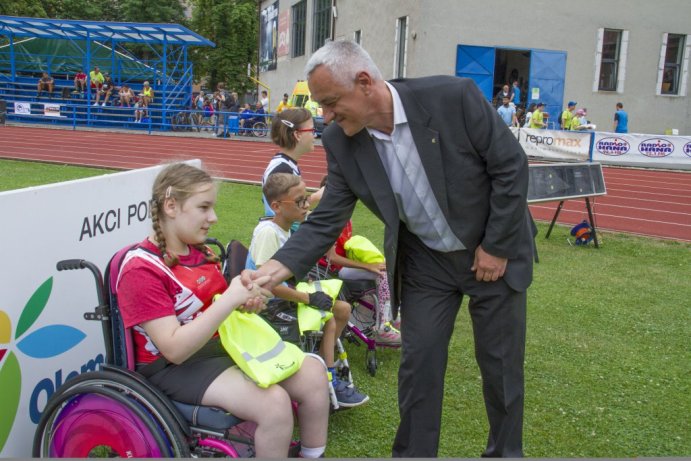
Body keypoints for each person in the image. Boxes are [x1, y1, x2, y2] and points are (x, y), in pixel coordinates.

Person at [241, 40, 536, 458]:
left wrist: (495, 245)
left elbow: (510, 166)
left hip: (491, 254)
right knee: (419, 369)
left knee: (500, 368)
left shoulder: (453, 98)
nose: (324, 117)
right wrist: (273, 269)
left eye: (330, 103)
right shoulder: (344, 143)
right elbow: (324, 221)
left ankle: (506, 455)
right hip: (427, 264)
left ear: (364, 83)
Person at [116, 163, 330, 458]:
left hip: (220, 348)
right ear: (171, 206)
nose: (213, 218)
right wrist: (230, 299)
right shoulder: (140, 269)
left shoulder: (199, 252)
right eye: (204, 207)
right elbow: (174, 349)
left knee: (314, 372)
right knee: (274, 405)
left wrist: (246, 303)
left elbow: (218, 309)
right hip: (174, 369)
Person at [248, 173, 369, 408]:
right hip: (267, 305)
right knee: (331, 317)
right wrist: (307, 297)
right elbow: (266, 284)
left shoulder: (287, 228)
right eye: (300, 201)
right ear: (276, 206)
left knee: (342, 309)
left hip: (284, 295)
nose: (306, 206)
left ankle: (324, 362)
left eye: (306, 199)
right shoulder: (267, 233)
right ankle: (328, 378)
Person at [317, 175, 400, 345]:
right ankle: (384, 325)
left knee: (387, 269)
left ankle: (390, 314)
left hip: (341, 266)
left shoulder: (345, 216)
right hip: (331, 271)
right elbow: (332, 257)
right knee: (382, 273)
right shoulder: (328, 219)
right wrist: (367, 266)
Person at [262, 108, 324, 216]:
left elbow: (291, 207)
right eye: (312, 130)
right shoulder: (283, 170)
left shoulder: (285, 164)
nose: (314, 135)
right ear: (297, 135)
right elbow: (290, 214)